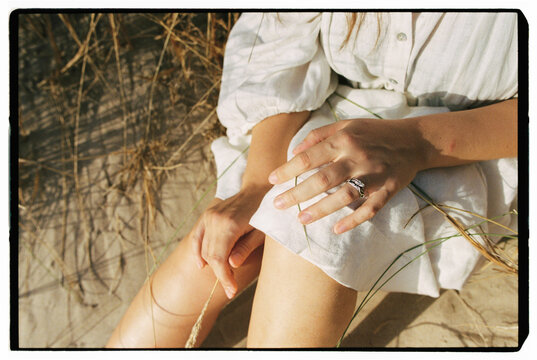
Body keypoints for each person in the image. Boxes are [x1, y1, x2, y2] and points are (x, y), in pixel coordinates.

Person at [106, 12, 518, 348]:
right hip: (328, 116)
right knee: (224, 250)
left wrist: (417, 143)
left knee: (315, 225)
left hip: (468, 143)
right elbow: (281, 49)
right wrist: (256, 186)